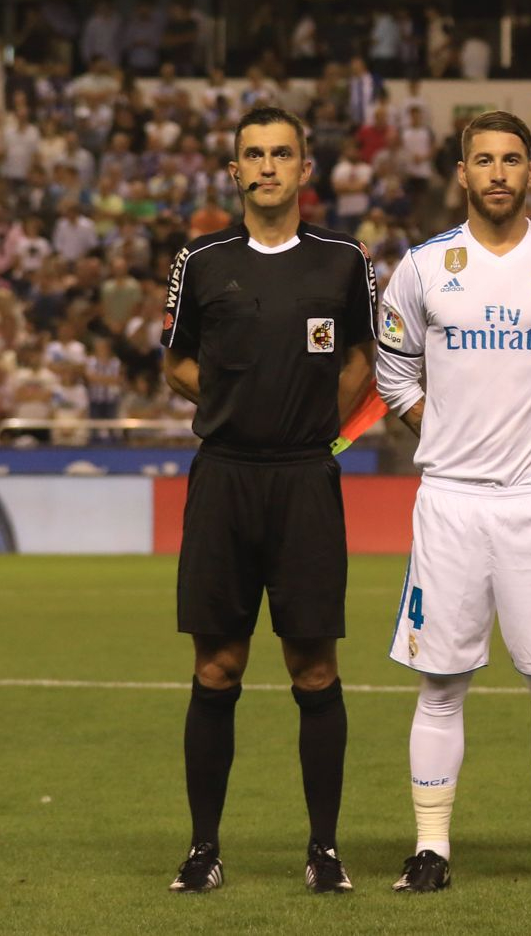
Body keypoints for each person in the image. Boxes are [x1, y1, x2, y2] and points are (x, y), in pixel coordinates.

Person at [375, 111, 531, 895]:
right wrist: (441, 430)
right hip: (449, 501)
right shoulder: (422, 267)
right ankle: (430, 849)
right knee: (440, 684)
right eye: (482, 160)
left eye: (511, 160)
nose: (497, 173)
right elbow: (393, 372)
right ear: (462, 172)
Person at [161, 106, 377, 894]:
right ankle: (202, 848)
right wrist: (232, 406)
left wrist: (318, 422)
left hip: (305, 479)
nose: (267, 166)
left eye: (281, 153)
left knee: (313, 667)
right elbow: (176, 363)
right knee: (217, 665)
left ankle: (324, 849)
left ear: (304, 169)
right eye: (253, 154)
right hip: (224, 478)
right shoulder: (201, 260)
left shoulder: (344, 260)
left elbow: (363, 359)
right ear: (234, 171)